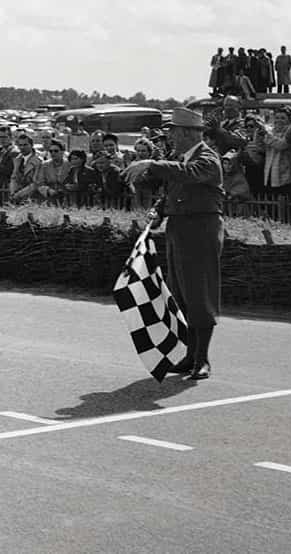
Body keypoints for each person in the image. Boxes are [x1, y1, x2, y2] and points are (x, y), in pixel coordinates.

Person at [123, 107, 223, 381]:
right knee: (182, 293)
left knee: (200, 294)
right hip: (180, 229)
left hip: (201, 229)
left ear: (189, 133)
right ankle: (191, 356)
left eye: (174, 132)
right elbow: (172, 191)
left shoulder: (208, 158)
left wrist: (151, 164)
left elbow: (189, 173)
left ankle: (202, 360)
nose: (171, 138)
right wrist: (159, 210)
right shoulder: (180, 158)